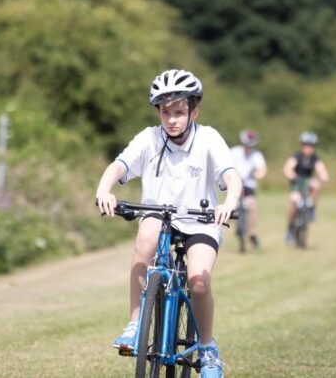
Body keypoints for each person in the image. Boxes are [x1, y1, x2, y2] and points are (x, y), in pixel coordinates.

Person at [96, 69, 242, 377]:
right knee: (146, 240)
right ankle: (136, 324)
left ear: (194, 110)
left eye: (179, 112)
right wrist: (103, 189)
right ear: (158, 112)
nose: (172, 119)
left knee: (198, 283)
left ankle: (206, 348)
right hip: (160, 215)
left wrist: (229, 202)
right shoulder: (149, 138)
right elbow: (119, 165)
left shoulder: (208, 138)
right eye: (165, 112)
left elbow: (231, 176)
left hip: (200, 222)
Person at [283, 131, 329, 242]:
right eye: (306, 145)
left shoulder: (315, 159)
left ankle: (311, 209)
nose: (308, 148)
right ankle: (290, 228)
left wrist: (324, 177)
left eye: (311, 146)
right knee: (294, 203)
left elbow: (322, 171)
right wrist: (291, 175)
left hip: (308, 185)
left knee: (316, 185)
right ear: (302, 146)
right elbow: (287, 168)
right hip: (296, 184)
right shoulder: (297, 157)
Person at [230, 130, 267, 249]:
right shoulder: (234, 152)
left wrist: (257, 175)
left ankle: (252, 232)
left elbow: (262, 169)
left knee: (251, 205)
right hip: (235, 183)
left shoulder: (256, 155)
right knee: (231, 206)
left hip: (249, 185)